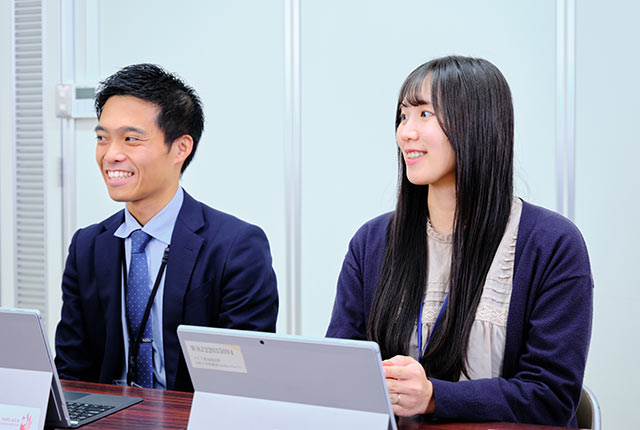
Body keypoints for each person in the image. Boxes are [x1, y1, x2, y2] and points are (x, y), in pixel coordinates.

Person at [326, 56, 592, 427]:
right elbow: (340, 372)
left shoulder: (551, 244)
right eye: (403, 116)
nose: (406, 133)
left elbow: (552, 396)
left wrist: (434, 396)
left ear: (476, 124)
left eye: (424, 114)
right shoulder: (372, 242)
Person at [54, 64, 278, 391]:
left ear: (180, 148)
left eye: (131, 139)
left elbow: (241, 384)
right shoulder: (88, 245)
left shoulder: (236, 247)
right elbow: (72, 369)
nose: (111, 154)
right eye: (103, 138)